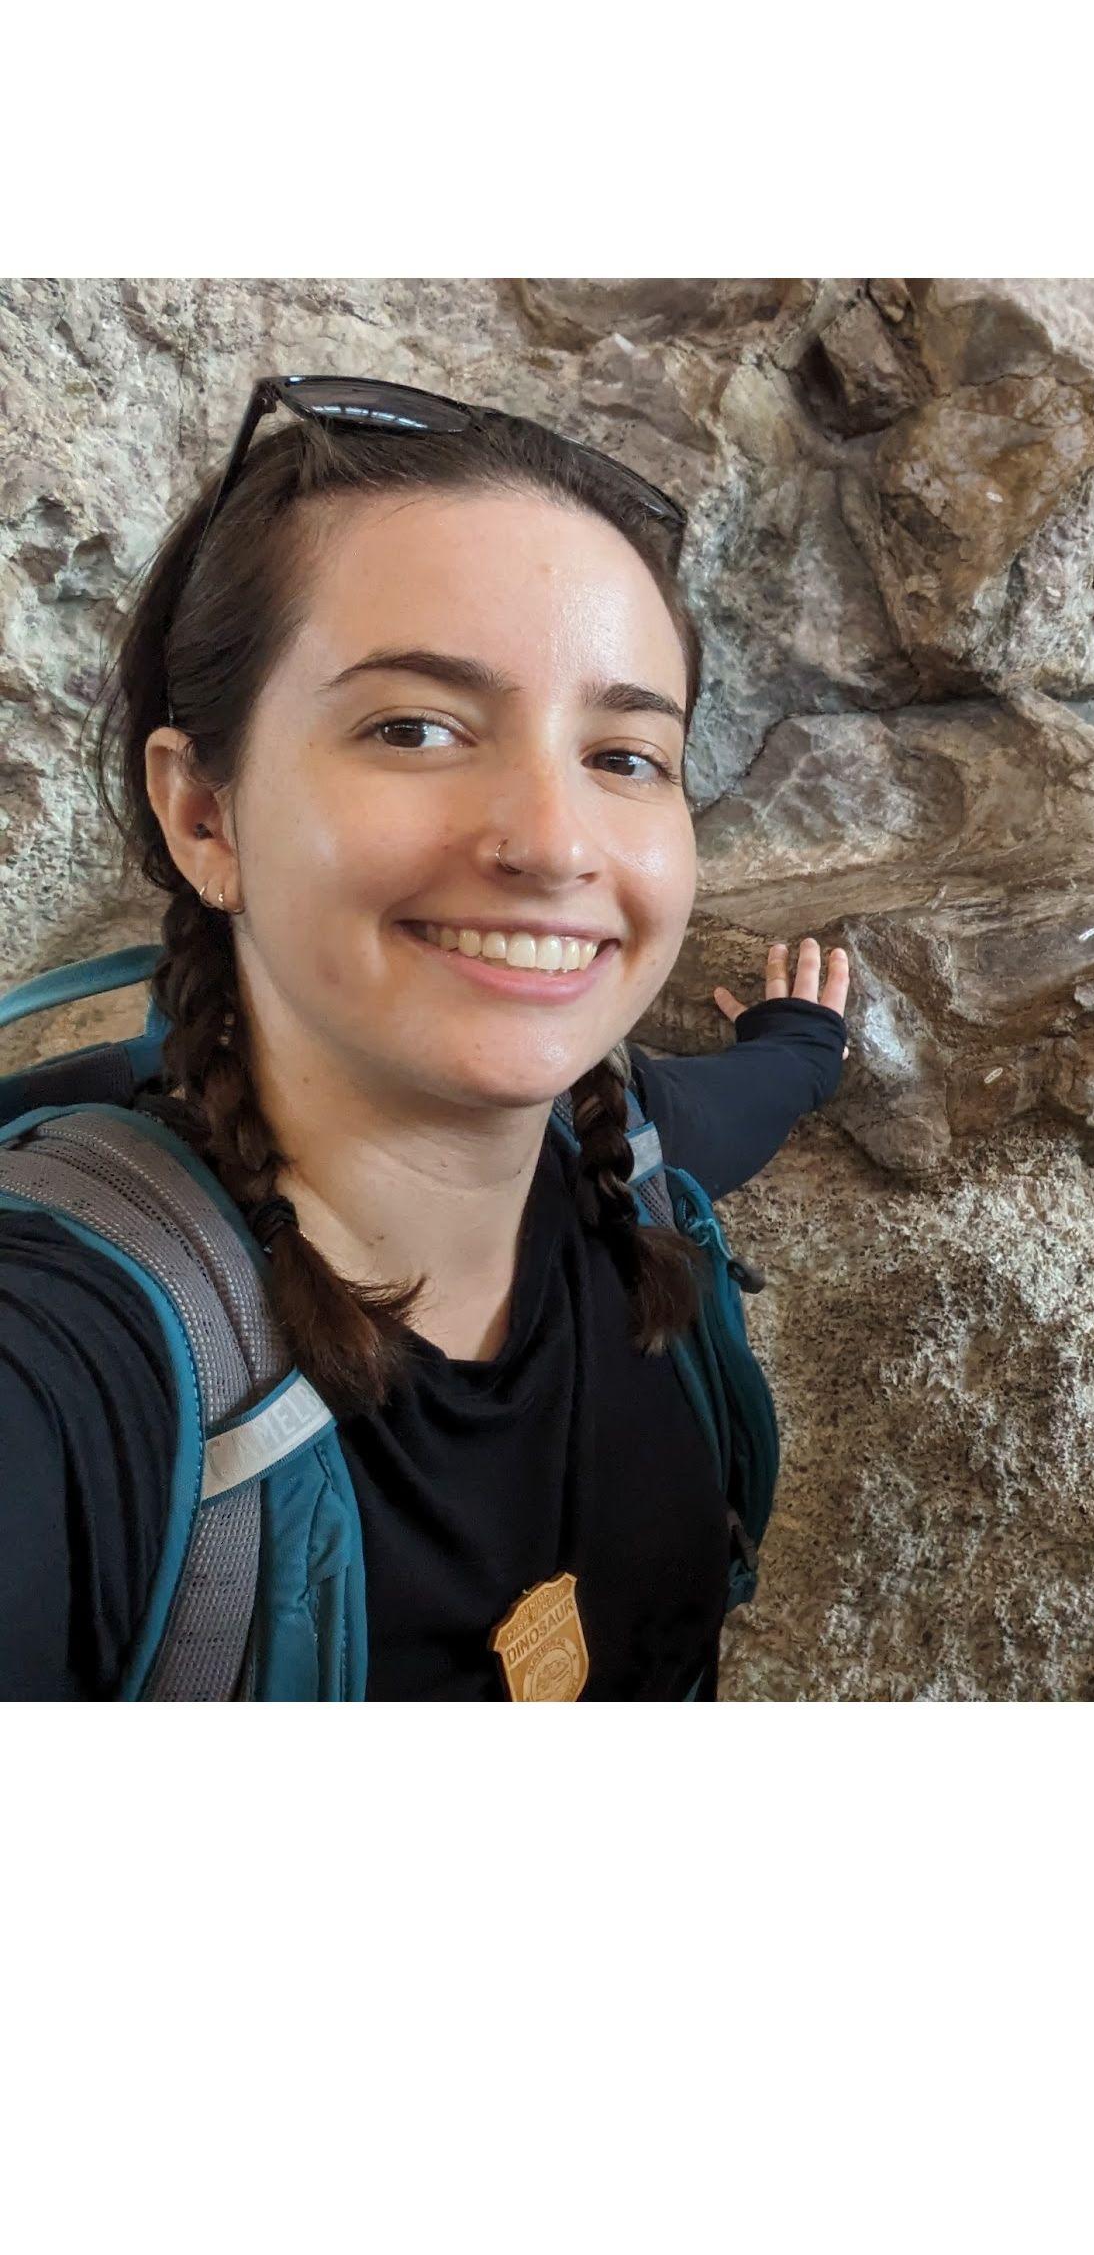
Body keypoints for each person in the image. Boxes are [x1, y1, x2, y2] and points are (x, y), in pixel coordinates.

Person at [0, 376, 847, 1700]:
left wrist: (802, 1041)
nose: (554, 839)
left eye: (624, 754)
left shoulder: (628, 1155)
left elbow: (750, 1098)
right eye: (416, 727)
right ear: (205, 815)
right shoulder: (65, 1369)